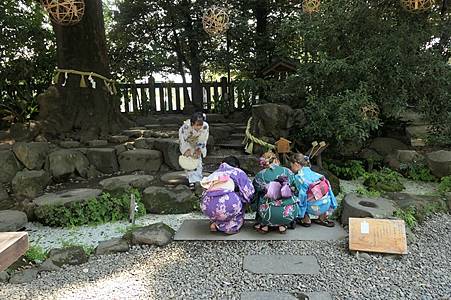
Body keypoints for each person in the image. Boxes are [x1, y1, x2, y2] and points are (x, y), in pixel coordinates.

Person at [200, 156, 255, 234]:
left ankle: (215, 223)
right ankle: (230, 227)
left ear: (222, 164)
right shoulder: (238, 171)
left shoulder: (215, 173)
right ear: (236, 166)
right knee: (240, 198)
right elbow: (249, 193)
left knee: (215, 203)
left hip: (206, 205)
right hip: (227, 205)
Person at [252, 151, 299, 234]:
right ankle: (282, 225)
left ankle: (264, 224)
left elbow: (255, 192)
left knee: (259, 195)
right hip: (288, 212)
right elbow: (296, 188)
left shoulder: (260, 175)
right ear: (276, 160)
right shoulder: (287, 171)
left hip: (268, 212)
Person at [290, 153, 337, 227]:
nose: (291, 167)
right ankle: (322, 218)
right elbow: (330, 191)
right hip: (326, 204)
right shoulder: (318, 175)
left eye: (291, 165)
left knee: (295, 195)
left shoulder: (299, 177)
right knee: (320, 194)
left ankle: (306, 219)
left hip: (315, 208)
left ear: (296, 164)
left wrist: (300, 213)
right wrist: (333, 205)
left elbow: (302, 196)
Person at [179, 112, 209, 190]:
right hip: (187, 143)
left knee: (197, 160)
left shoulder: (205, 126)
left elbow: (203, 139)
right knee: (189, 160)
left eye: (200, 125)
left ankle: (198, 180)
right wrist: (186, 150)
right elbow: (183, 139)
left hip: (198, 143)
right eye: (197, 125)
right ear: (192, 123)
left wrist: (199, 150)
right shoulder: (186, 127)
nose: (199, 127)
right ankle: (191, 181)